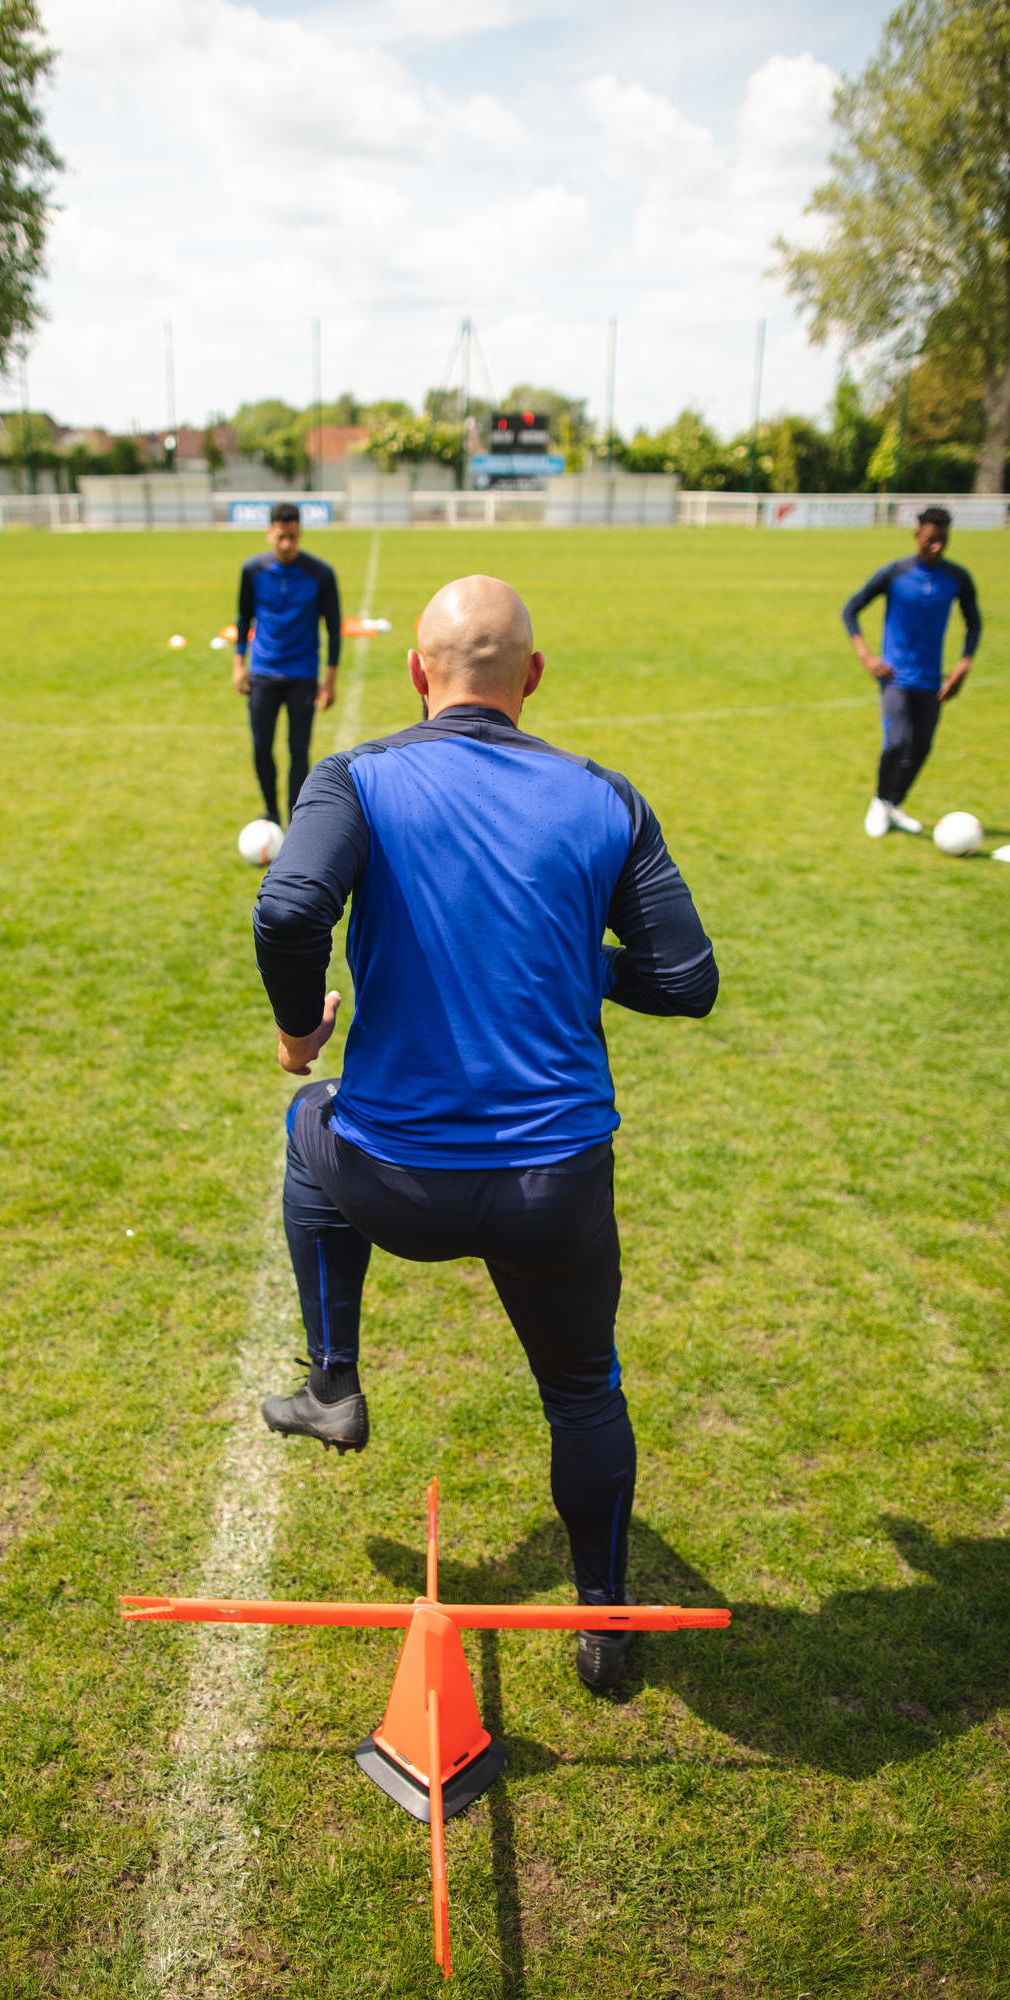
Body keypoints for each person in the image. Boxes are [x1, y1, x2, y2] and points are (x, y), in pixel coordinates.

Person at [249, 575, 718, 1691]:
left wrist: (294, 1029)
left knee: (306, 1118)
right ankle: (604, 1623)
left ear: (418, 674)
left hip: (393, 1182)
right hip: (553, 1186)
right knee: (583, 1392)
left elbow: (286, 908)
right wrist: (575, 956)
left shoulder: (355, 774)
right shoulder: (604, 796)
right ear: (534, 678)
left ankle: (334, 1379)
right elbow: (686, 978)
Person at [842, 504, 982, 837]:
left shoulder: (957, 578)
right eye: (931, 539)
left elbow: (974, 622)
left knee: (921, 748)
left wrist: (963, 665)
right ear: (917, 535)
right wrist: (866, 655)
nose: (937, 546)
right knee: (897, 742)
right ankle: (878, 802)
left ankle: (893, 803)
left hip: (932, 680)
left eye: (943, 540)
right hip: (895, 678)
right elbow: (851, 609)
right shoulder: (896, 574)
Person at [233, 502, 342, 825]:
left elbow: (334, 628)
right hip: (263, 671)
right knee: (261, 746)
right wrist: (239, 664)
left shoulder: (320, 574)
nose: (286, 545)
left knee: (299, 750)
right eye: (281, 537)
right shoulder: (253, 570)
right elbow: (243, 617)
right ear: (270, 533)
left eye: (292, 537)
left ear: (300, 533)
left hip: (303, 675)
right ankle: (271, 812)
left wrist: (330, 680)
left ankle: (297, 819)